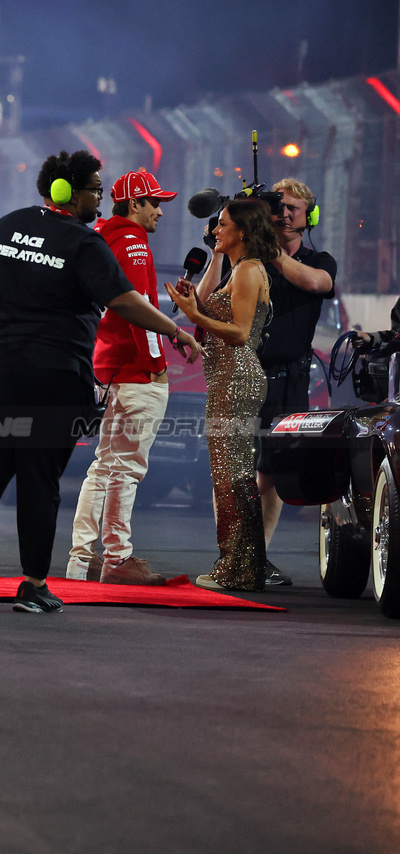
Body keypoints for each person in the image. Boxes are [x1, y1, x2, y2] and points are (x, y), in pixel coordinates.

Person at [0, 150, 201, 613]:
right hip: (53, 379)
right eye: (94, 188)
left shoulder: (6, 226)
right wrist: (175, 330)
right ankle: (32, 586)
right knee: (39, 479)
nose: (99, 196)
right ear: (65, 191)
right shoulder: (82, 243)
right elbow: (125, 301)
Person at [195, 178, 334, 587]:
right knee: (233, 469)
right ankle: (237, 553)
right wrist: (219, 249)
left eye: (293, 208)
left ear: (308, 216)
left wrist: (264, 247)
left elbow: (315, 283)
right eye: (278, 208)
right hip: (242, 376)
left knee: (270, 471)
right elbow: (204, 301)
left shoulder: (314, 259)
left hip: (286, 380)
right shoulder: (244, 263)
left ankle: (257, 554)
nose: (284, 214)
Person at [66, 170, 178, 585]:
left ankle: (82, 559)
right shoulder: (133, 242)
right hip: (134, 369)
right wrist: (157, 362)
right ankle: (117, 557)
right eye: (155, 202)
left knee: (103, 466)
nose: (160, 212)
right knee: (126, 469)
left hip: (107, 366)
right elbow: (135, 307)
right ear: (134, 205)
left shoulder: (100, 235)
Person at [165, 198, 277, 591]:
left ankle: (239, 568)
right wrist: (195, 306)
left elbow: (241, 334)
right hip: (227, 378)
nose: (216, 230)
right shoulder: (239, 269)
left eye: (223, 225)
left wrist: (195, 316)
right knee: (231, 476)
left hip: (237, 380)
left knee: (234, 477)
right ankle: (244, 566)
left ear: (242, 231)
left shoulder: (247, 272)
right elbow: (222, 325)